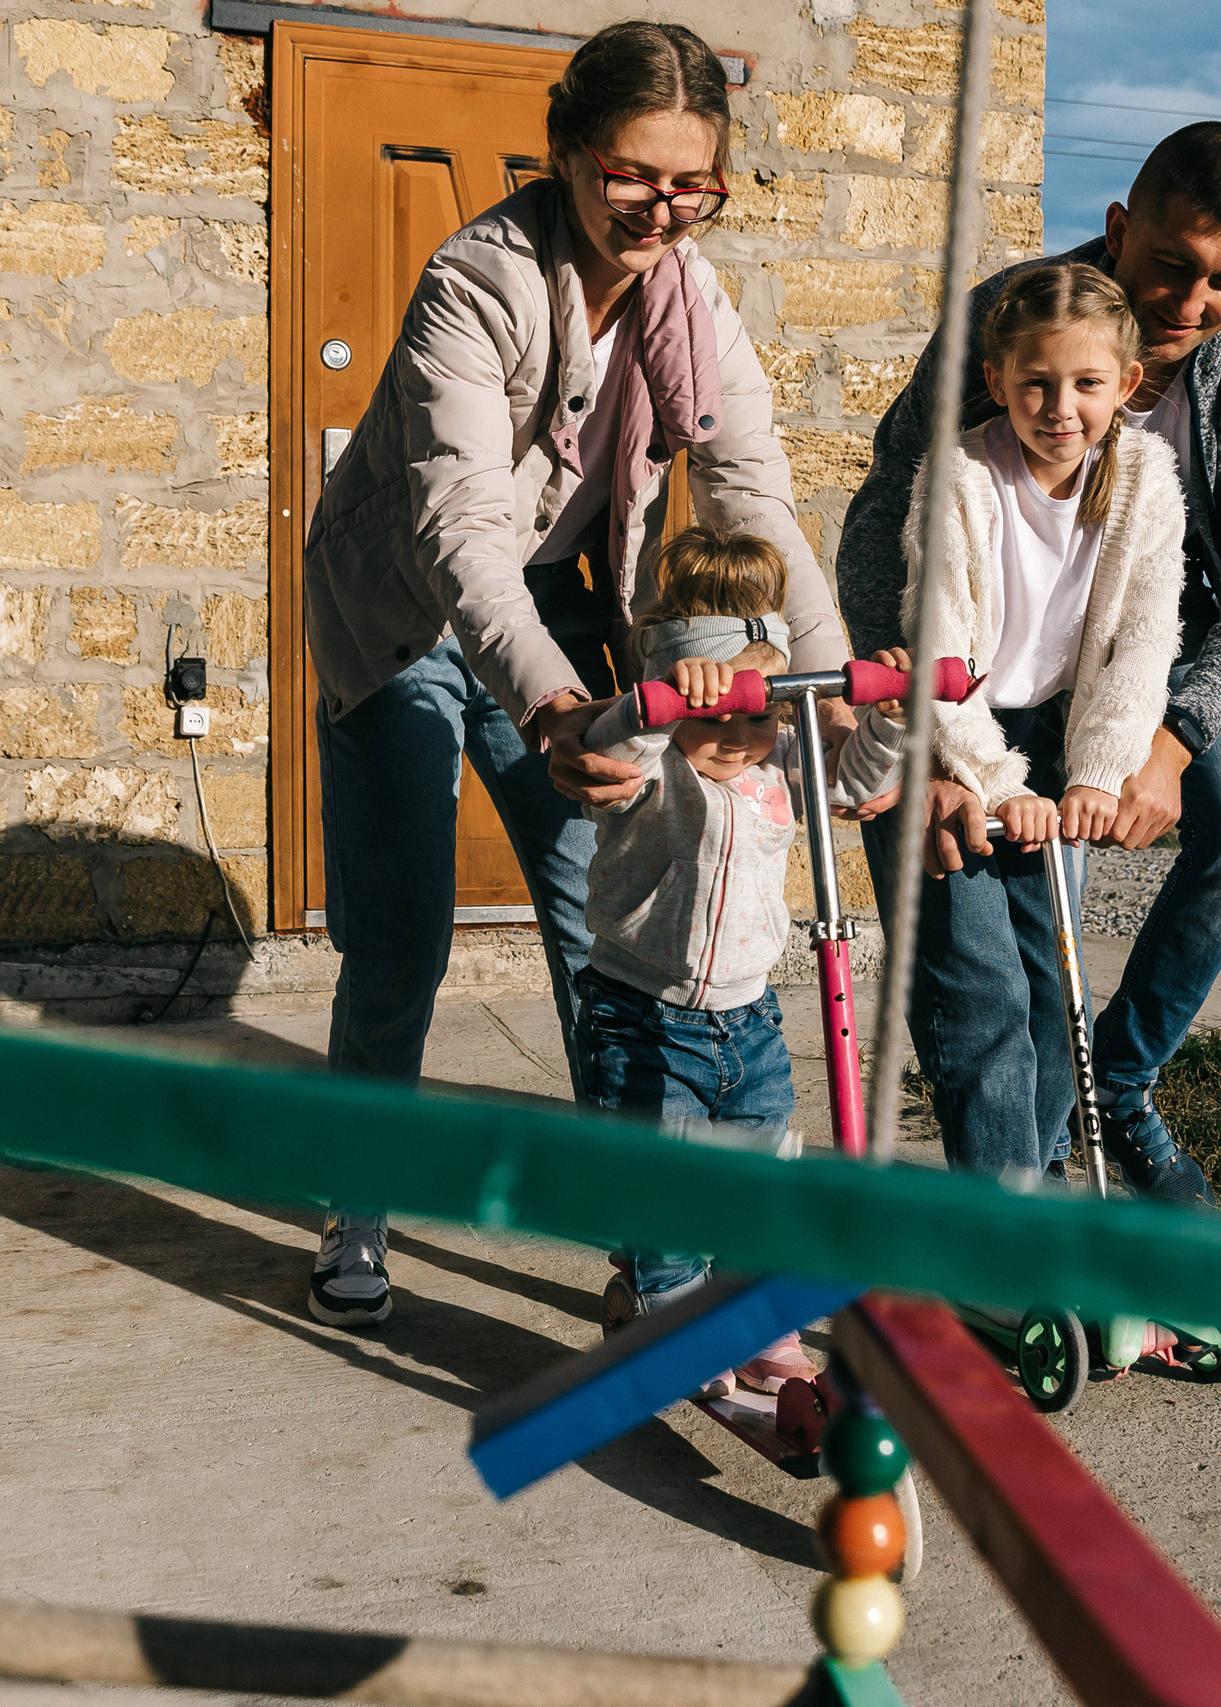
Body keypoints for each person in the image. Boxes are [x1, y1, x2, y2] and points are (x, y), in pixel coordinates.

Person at [300, 23, 852, 1327]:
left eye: (693, 182)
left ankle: (643, 1227)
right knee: (403, 943)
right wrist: (552, 705)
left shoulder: (692, 307)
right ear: (565, 153)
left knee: (603, 923)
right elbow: (457, 531)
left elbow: (756, 502)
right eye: (633, 174)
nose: (663, 207)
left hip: (555, 602)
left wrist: (834, 701)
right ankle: (355, 1207)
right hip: (402, 616)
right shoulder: (475, 281)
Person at [836, 121, 1221, 1204]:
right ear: (1118, 228)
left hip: (1159, 630)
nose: (1190, 305)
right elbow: (888, 517)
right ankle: (1029, 1167)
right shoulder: (1013, 324)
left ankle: (1115, 1090)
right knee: (1033, 920)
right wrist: (923, 720)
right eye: (1170, 268)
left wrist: (1171, 738)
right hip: (988, 651)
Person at [568, 528, 908, 1392]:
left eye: (760, 712)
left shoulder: (779, 758)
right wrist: (658, 703)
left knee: (762, 1188)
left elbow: (855, 787)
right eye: (715, 715)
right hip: (642, 1015)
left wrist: (888, 723)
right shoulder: (648, 768)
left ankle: (760, 1321)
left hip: (749, 1021)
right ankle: (677, 1311)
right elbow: (617, 738)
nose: (739, 734)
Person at [885, 264, 1187, 1186]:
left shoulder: (1145, 479)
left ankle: (1034, 1187)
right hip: (957, 733)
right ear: (997, 381)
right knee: (982, 992)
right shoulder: (963, 473)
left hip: (1066, 737)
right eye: (1037, 384)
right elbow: (934, 636)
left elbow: (1142, 638)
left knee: (1055, 990)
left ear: (1126, 385)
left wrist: (1097, 771)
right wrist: (996, 782)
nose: (1061, 407)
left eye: (1087, 383)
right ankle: (1002, 1220)